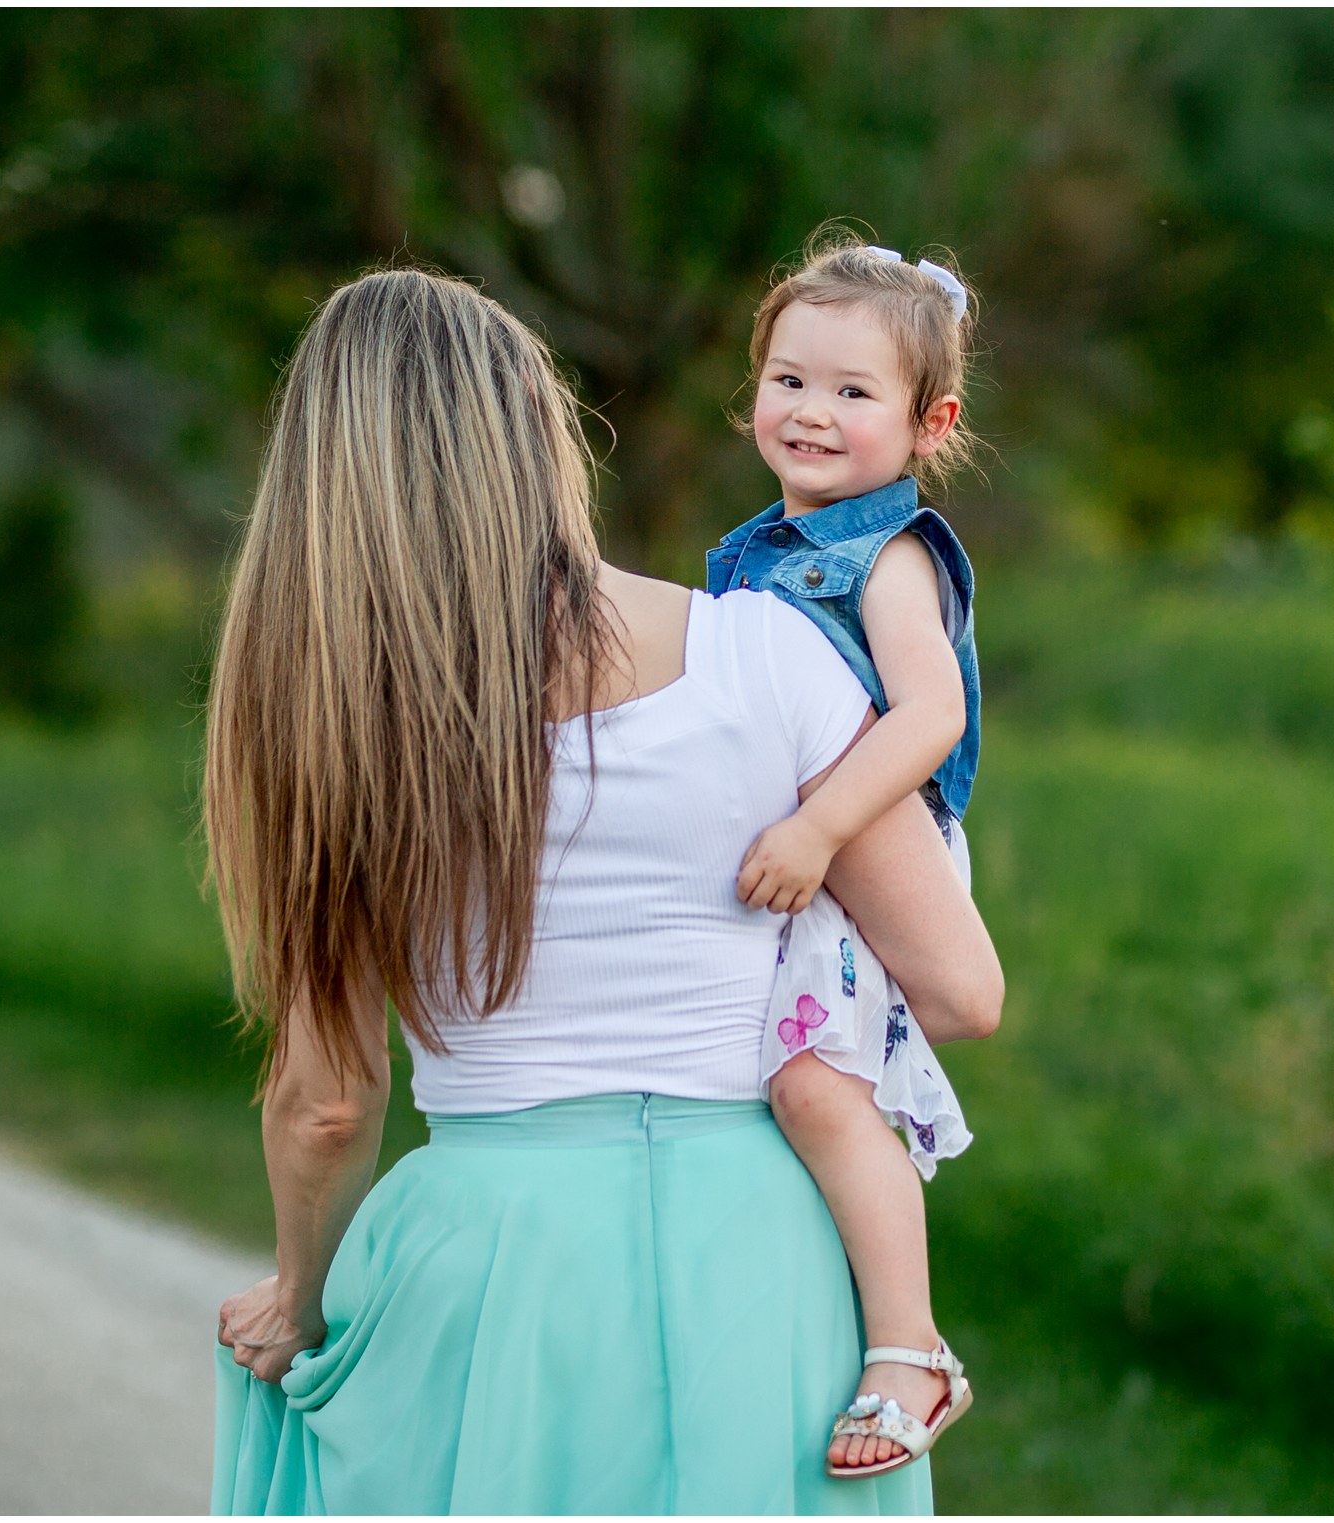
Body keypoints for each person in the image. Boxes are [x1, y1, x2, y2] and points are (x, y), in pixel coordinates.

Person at [203, 266, 1003, 1515]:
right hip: (765, 1260)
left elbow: (325, 1105)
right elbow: (958, 988)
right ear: (544, 428)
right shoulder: (773, 646)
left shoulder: (329, 713)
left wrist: (302, 1301)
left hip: (492, 1262)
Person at [707, 232, 988, 1478]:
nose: (811, 412)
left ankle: (912, 1349)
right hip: (797, 857)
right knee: (769, 1082)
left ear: (931, 423)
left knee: (821, 1089)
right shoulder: (753, 546)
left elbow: (929, 716)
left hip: (874, 847)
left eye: (852, 391)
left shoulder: (893, 554)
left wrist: (823, 827)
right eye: (790, 379)